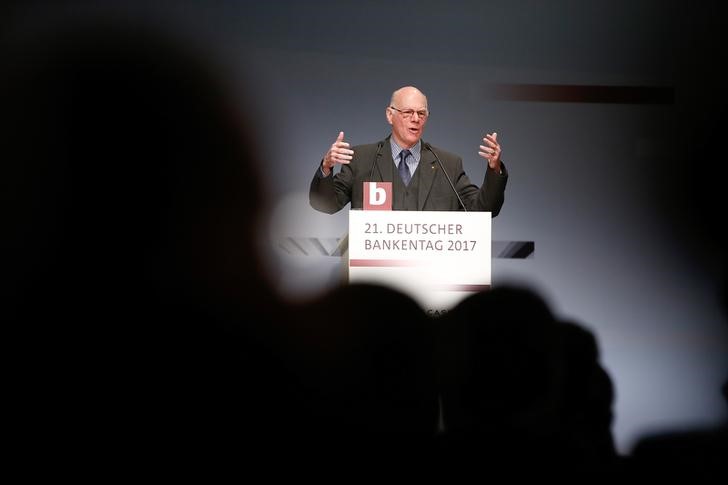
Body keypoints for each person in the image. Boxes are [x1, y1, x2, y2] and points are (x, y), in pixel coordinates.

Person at [309, 85, 508, 213]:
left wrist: (494, 169)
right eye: (408, 112)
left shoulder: (448, 165)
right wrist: (326, 167)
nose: (416, 119)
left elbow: (483, 210)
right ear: (390, 115)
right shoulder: (362, 159)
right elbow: (325, 204)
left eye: (422, 113)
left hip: (430, 273)